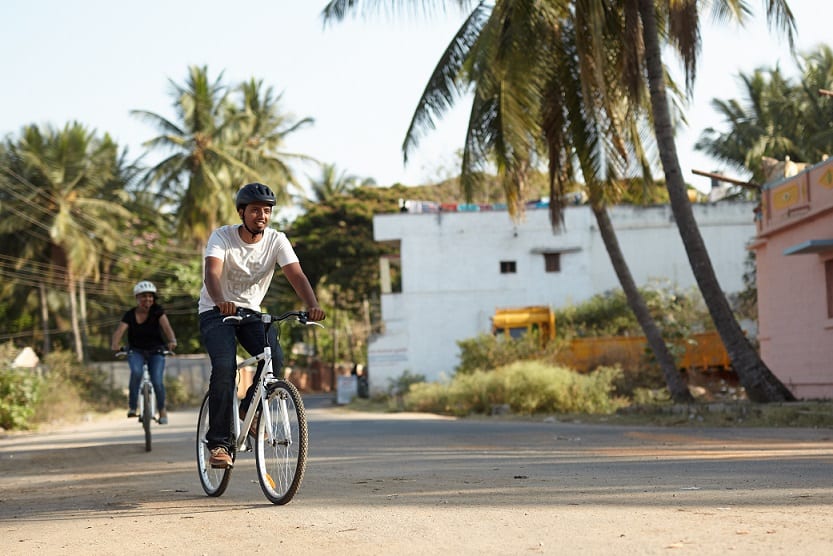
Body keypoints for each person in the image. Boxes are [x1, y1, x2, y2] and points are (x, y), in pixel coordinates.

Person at [198, 182, 326, 469]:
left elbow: (296, 275)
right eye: (255, 210)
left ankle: (249, 412)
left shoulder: (277, 240)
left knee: (275, 358)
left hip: (250, 313)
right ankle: (219, 443)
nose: (262, 216)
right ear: (241, 212)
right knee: (225, 367)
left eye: (267, 211)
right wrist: (220, 301)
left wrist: (312, 305)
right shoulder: (222, 237)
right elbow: (212, 274)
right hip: (215, 312)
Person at [111, 280, 178, 425]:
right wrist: (115, 344)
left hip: (156, 351)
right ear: (137, 298)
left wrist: (172, 340)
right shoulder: (130, 315)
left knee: (157, 381)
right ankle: (133, 406)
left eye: (150, 296)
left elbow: (167, 328)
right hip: (136, 351)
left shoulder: (158, 312)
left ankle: (162, 410)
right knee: (136, 372)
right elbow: (119, 331)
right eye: (143, 296)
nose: (147, 299)